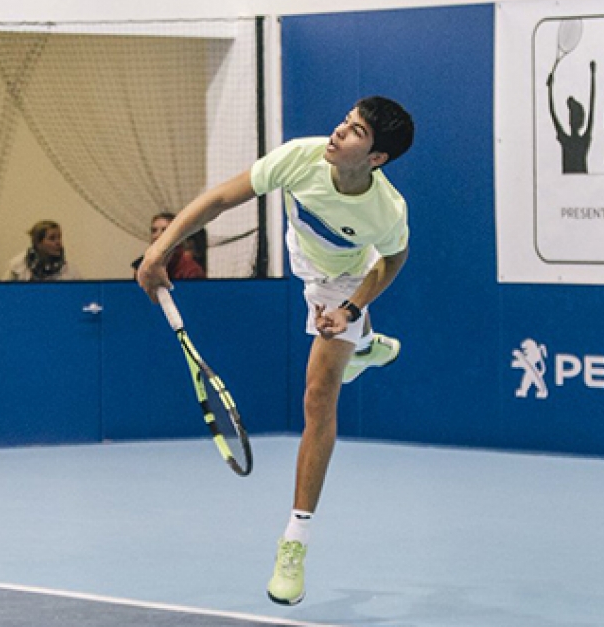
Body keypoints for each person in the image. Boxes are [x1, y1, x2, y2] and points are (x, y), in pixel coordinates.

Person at [136, 96, 414, 606]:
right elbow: (221, 198)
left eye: (355, 133)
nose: (338, 132)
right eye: (345, 121)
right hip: (305, 262)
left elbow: (392, 260)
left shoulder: (387, 209)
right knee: (348, 354)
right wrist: (161, 251)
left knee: (317, 398)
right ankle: (368, 347)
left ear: (376, 159)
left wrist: (351, 308)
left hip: (345, 278)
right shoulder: (301, 158)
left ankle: (294, 544)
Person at [547, 60, 596, 173]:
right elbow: (592, 105)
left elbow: (552, 112)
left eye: (572, 116)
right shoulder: (582, 140)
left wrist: (549, 89)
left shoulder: (569, 141)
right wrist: (593, 74)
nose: (570, 119)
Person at [131, 212, 205, 279]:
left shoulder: (191, 270)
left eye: (164, 230)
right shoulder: (142, 265)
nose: (157, 235)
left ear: (177, 234)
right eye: (154, 230)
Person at [5, 219, 81, 281]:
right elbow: (3, 293)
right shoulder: (18, 266)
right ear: (38, 243)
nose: (58, 242)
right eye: (52, 238)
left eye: (59, 237)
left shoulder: (70, 271)